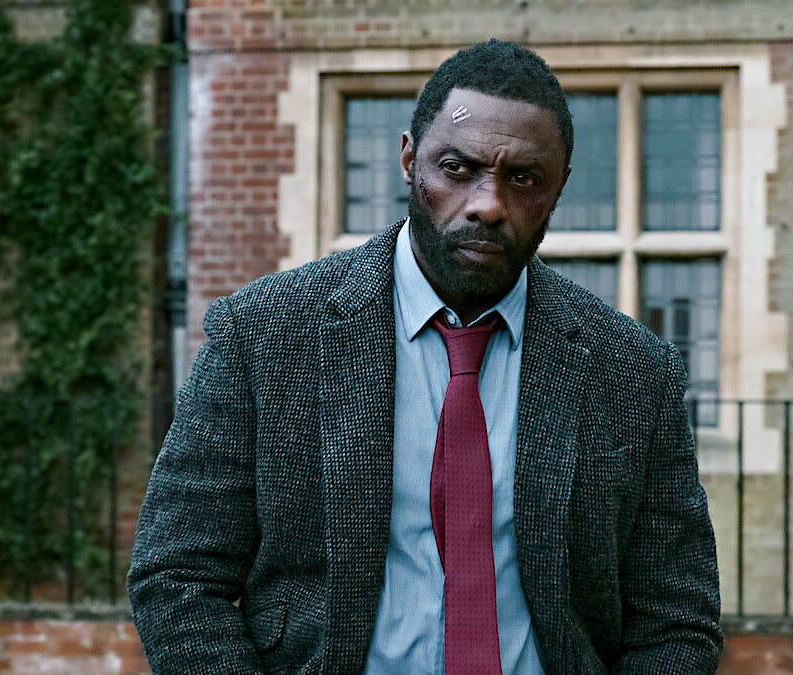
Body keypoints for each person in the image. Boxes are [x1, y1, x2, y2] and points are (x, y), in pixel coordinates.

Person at [127, 39, 722, 674]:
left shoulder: (632, 372)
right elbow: (178, 576)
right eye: (458, 168)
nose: (487, 204)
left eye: (522, 178)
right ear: (410, 160)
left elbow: (677, 621)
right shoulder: (266, 335)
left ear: (558, 189)